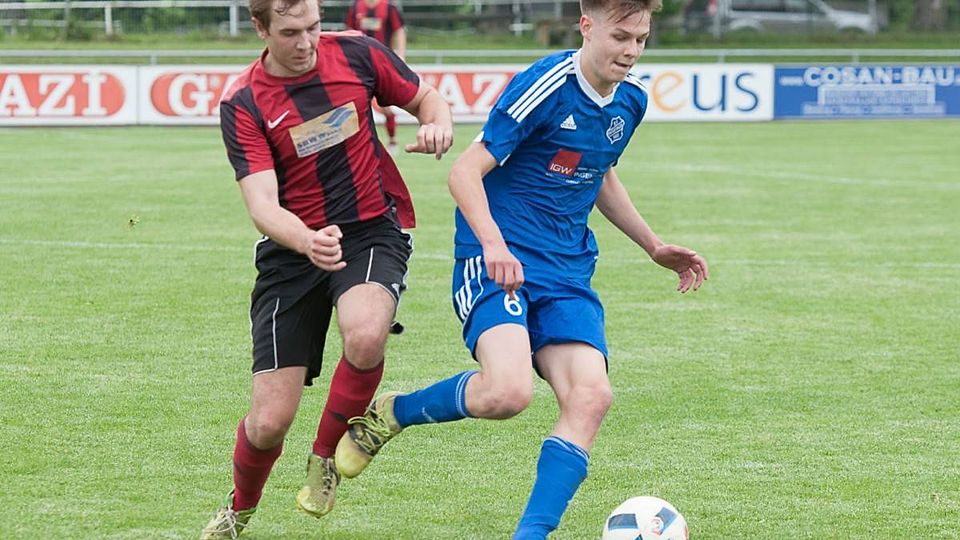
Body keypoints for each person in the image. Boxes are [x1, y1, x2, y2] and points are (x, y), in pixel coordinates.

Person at [334, 0, 708, 538]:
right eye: (621, 37)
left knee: (592, 396)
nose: (631, 51)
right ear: (587, 26)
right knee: (508, 393)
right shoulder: (546, 84)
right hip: (496, 257)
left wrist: (653, 245)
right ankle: (395, 413)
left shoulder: (631, 99)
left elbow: (599, 172)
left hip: (566, 271)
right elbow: (464, 173)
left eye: (641, 40)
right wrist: (495, 245)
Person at [199, 0, 452, 536]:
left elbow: (426, 98)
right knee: (268, 423)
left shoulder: (358, 54)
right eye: (291, 32)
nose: (306, 43)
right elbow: (262, 205)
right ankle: (238, 510)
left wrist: (437, 124)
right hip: (292, 249)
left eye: (313, 27)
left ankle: (325, 458)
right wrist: (307, 240)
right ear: (261, 28)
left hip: (370, 230)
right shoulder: (244, 101)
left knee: (365, 333)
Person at [345, 0, 407, 155]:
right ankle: (354, 146)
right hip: (359, 64)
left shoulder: (389, 7)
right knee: (354, 105)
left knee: (386, 107)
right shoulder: (355, 7)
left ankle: (392, 140)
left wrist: (401, 55)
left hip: (382, 64)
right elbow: (348, 31)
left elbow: (399, 30)